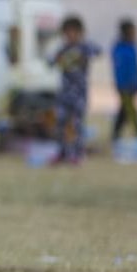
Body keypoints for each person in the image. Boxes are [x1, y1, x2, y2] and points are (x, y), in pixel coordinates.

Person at [49, 15, 101, 164]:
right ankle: (62, 152)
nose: (70, 35)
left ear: (79, 32)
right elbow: (51, 61)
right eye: (67, 32)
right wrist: (61, 58)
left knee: (77, 125)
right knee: (60, 123)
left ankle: (77, 154)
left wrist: (80, 52)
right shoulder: (63, 49)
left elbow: (98, 51)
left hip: (79, 94)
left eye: (73, 32)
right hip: (64, 94)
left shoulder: (84, 47)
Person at [111, 18, 137, 140]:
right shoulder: (120, 49)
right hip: (124, 86)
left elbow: (136, 68)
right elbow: (121, 70)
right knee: (130, 110)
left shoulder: (132, 47)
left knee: (125, 110)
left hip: (132, 84)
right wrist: (123, 84)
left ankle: (117, 133)